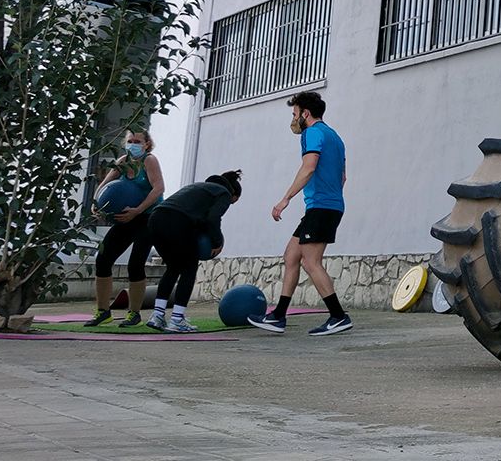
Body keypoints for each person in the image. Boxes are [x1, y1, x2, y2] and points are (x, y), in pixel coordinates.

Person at [248, 91, 351, 336]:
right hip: (326, 206)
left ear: (306, 113)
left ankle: (338, 316)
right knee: (291, 256)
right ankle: (278, 316)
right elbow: (343, 176)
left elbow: (309, 167)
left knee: (310, 261)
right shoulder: (335, 137)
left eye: (295, 114)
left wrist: (285, 199)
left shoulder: (311, 133)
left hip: (321, 207)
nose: (294, 119)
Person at [85, 128, 166, 327]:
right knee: (103, 259)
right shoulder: (122, 161)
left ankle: (134, 314)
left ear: (147, 144)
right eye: (130, 140)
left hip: (148, 217)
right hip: (126, 218)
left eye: (138, 141)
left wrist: (138, 210)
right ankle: (103, 312)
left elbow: (159, 188)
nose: (133, 144)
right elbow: (104, 184)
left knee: (135, 264)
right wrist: (97, 204)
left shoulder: (149, 160)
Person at [145, 170, 241, 333]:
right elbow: (213, 218)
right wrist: (217, 242)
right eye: (233, 202)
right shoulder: (223, 193)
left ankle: (157, 315)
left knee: (173, 267)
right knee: (189, 269)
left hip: (156, 219)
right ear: (234, 194)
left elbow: (200, 219)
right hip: (178, 222)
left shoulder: (198, 187)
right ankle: (177, 319)